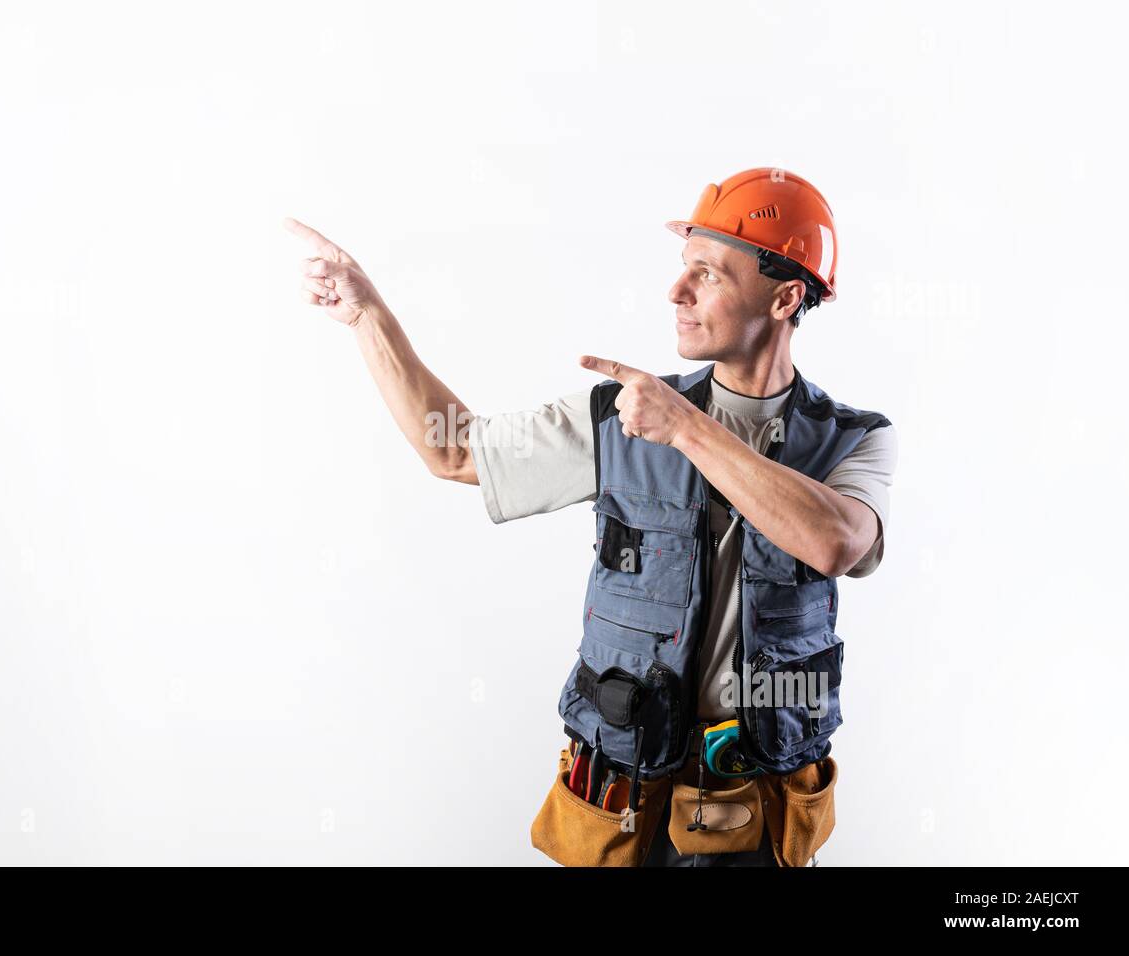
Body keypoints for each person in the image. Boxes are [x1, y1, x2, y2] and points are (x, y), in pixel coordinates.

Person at [284, 167, 897, 867]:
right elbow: (452, 449)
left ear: (786, 297)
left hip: (756, 820)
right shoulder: (621, 416)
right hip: (623, 806)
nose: (677, 291)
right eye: (682, 268)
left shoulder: (854, 439)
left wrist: (689, 430)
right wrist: (368, 315)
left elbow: (835, 542)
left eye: (710, 274)